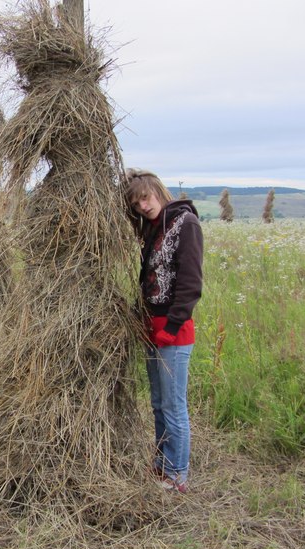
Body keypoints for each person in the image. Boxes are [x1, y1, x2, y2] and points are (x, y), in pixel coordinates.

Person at [124, 169, 203, 493]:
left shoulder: (186, 223)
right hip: (152, 329)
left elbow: (190, 282)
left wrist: (171, 326)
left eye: (145, 197)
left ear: (157, 190)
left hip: (173, 331)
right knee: (158, 403)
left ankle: (177, 475)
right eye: (135, 203)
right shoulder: (153, 229)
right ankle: (161, 465)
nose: (143, 206)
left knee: (173, 405)